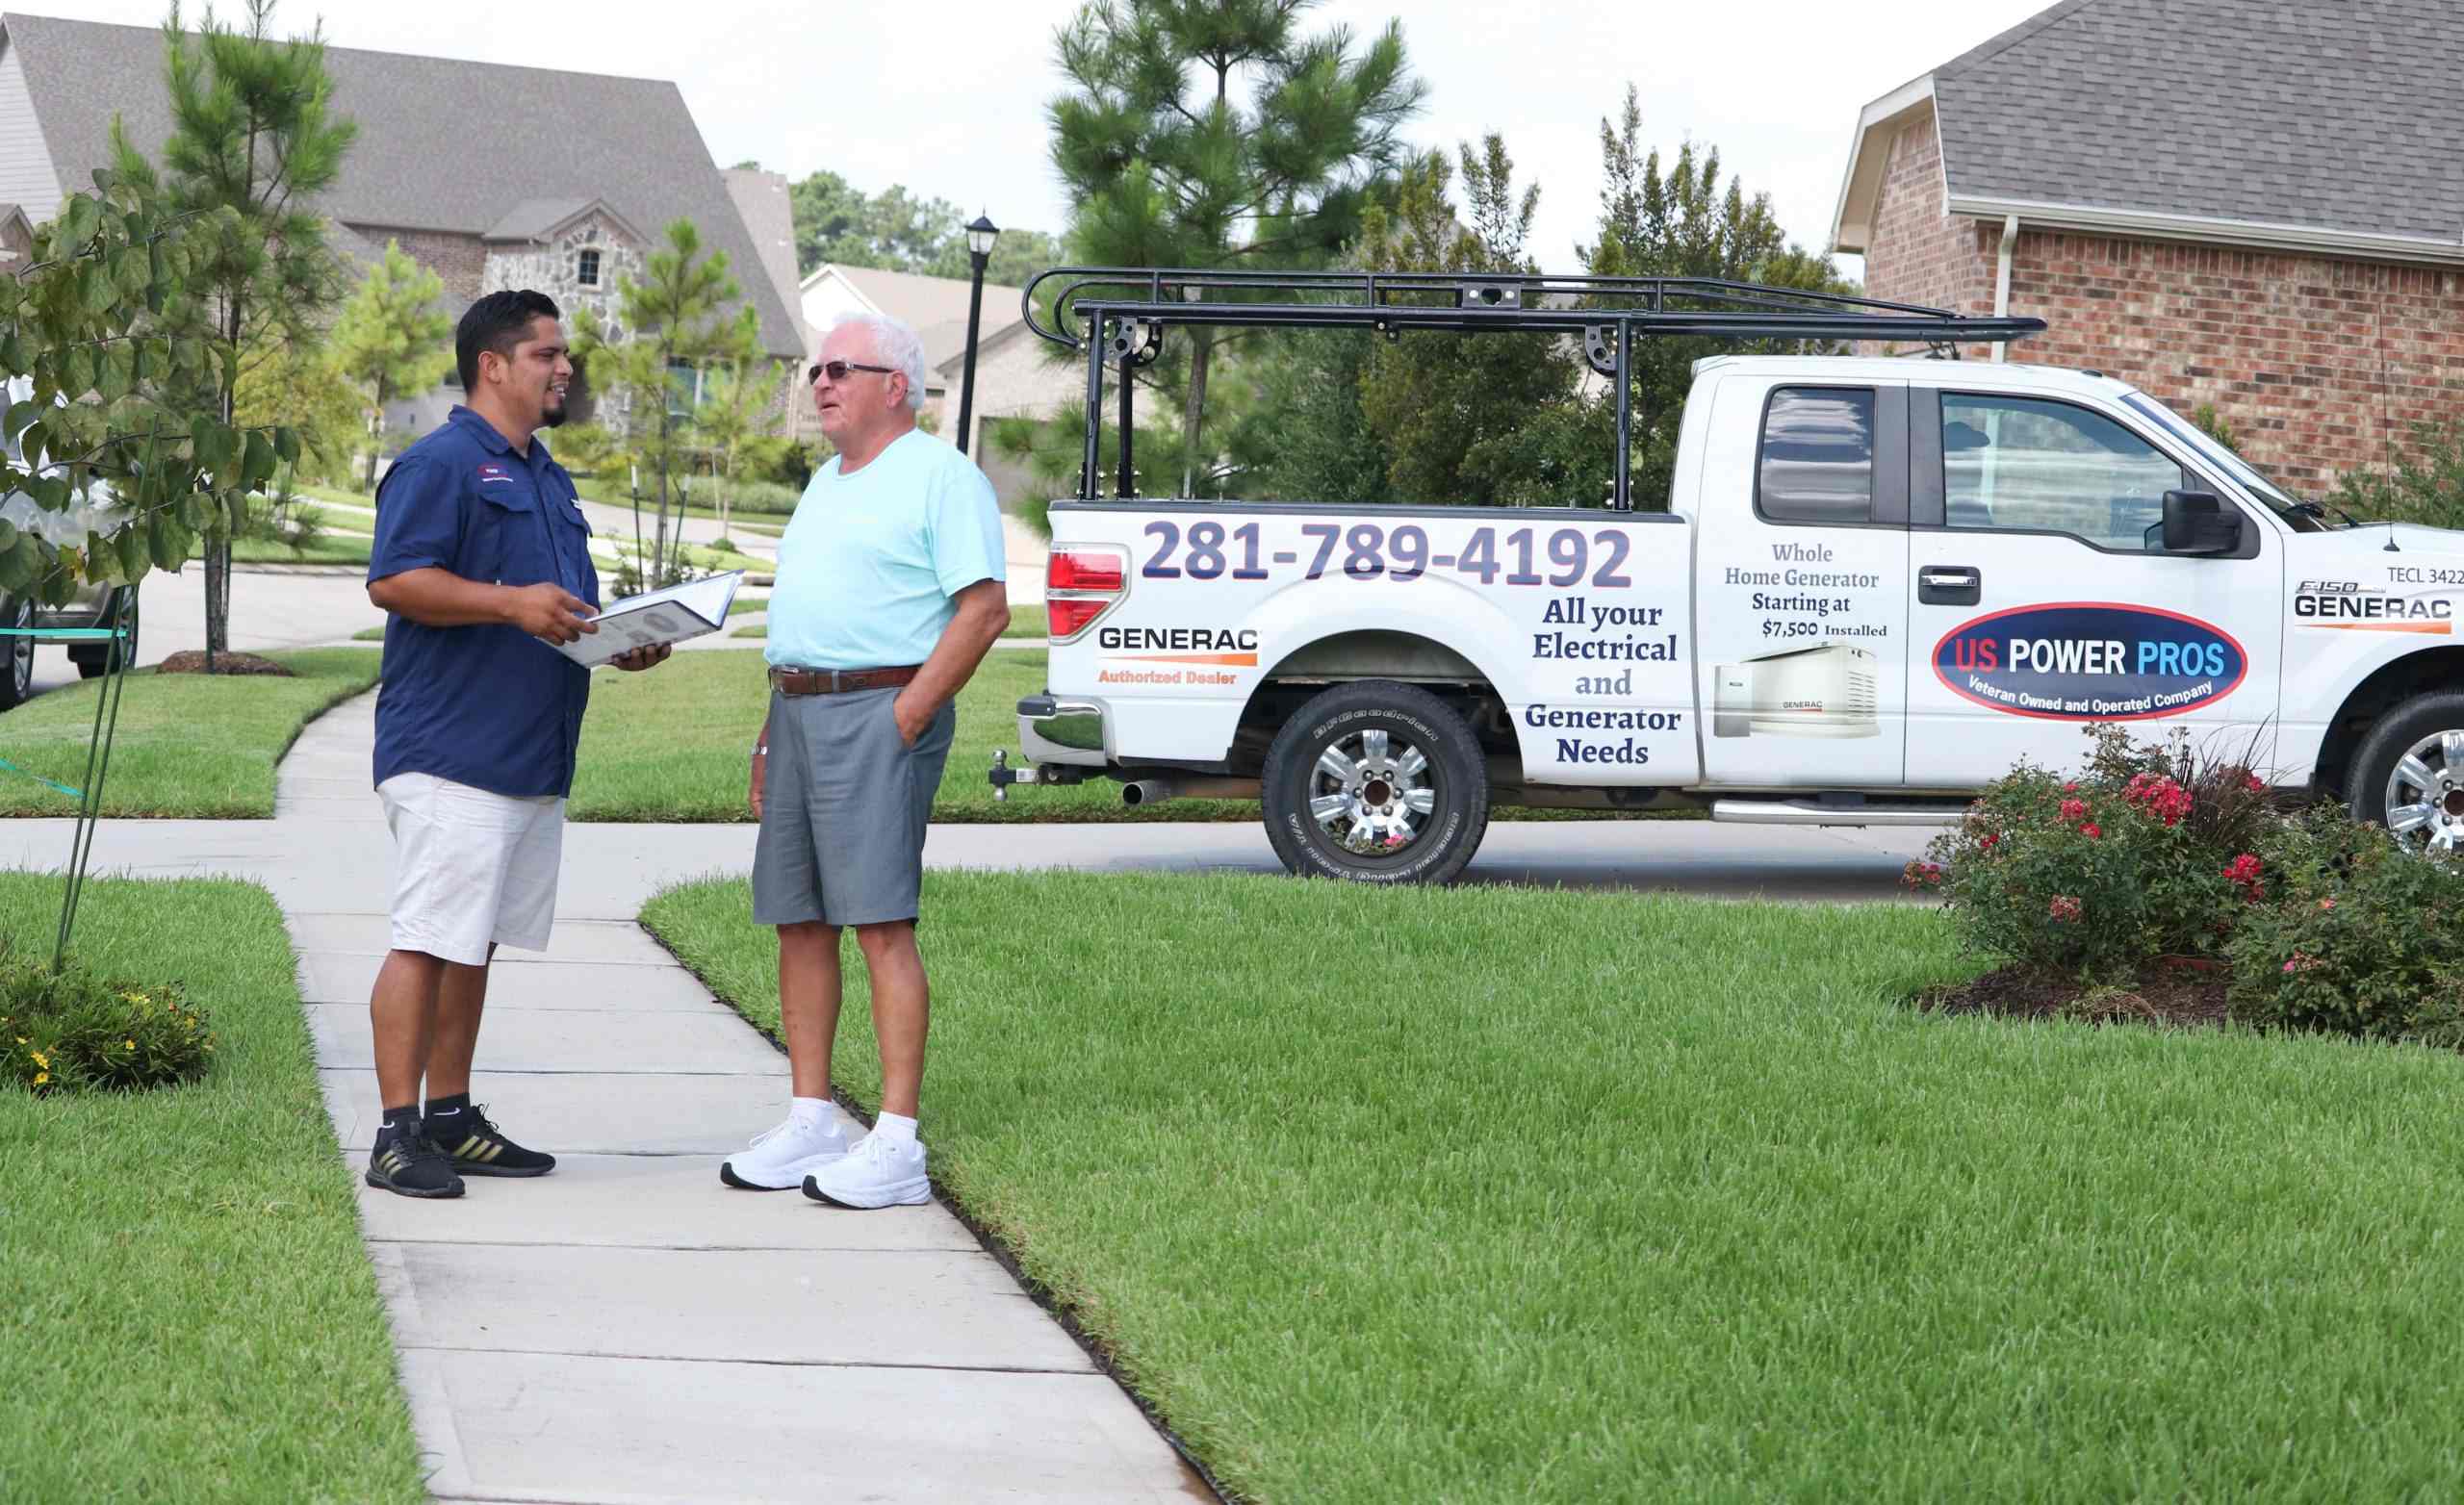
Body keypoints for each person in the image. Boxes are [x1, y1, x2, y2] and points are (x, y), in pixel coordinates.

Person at [361, 289, 671, 1200]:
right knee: (426, 938)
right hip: (452, 748)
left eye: (562, 354)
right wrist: (508, 601)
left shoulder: (548, 476)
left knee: (475, 941)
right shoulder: (441, 464)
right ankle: (394, 1132)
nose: (564, 367)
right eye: (547, 354)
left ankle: (451, 1117)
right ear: (493, 366)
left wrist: (622, 640)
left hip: (531, 752)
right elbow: (394, 580)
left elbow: (561, 611)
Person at [718, 311, 1009, 1208]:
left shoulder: (941, 477)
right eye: (816, 370)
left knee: (880, 920)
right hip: (799, 710)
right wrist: (773, 729)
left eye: (841, 368)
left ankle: (897, 1143)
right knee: (799, 919)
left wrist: (909, 714)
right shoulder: (823, 482)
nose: (821, 383)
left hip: (880, 713)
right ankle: (812, 1118)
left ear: (899, 387)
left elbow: (986, 608)